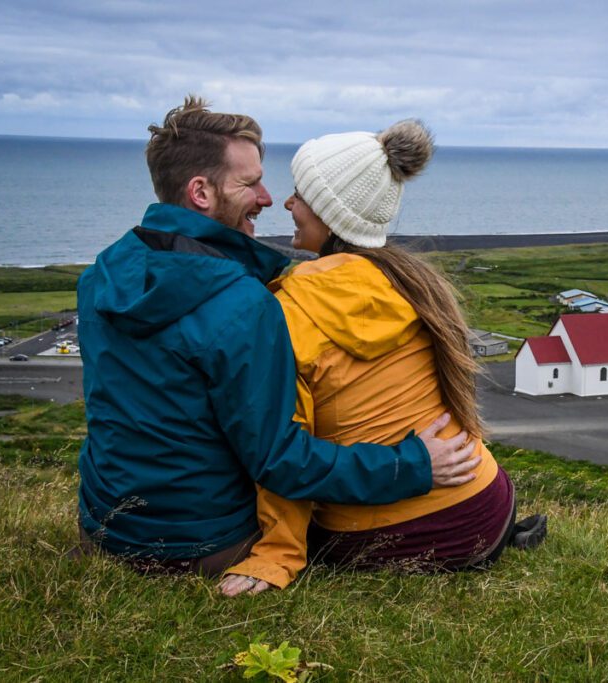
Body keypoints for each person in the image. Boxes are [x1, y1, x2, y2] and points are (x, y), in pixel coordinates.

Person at [75, 97, 480, 578]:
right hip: (203, 545)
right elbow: (282, 463)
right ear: (200, 192)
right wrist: (409, 465)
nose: (268, 198)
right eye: (249, 183)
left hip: (103, 528)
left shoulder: (99, 276)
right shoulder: (245, 305)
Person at [220, 119, 546, 596]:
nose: (286, 203)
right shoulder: (409, 283)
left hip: (394, 535)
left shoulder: (289, 309)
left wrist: (278, 554)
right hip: (489, 504)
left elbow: (285, 445)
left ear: (332, 213)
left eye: (301, 196)